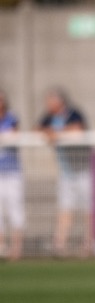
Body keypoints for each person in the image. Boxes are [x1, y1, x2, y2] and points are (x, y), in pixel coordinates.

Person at [37, 88, 92, 258]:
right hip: (66, 173)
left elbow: (78, 129)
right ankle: (60, 244)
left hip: (83, 170)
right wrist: (48, 133)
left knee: (89, 209)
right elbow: (38, 128)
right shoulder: (49, 116)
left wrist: (57, 134)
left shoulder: (74, 113)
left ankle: (89, 243)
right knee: (65, 209)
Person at [0, 91, 23, 261]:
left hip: (12, 172)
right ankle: (2, 246)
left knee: (15, 208)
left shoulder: (11, 117)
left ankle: (17, 248)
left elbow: (14, 134)